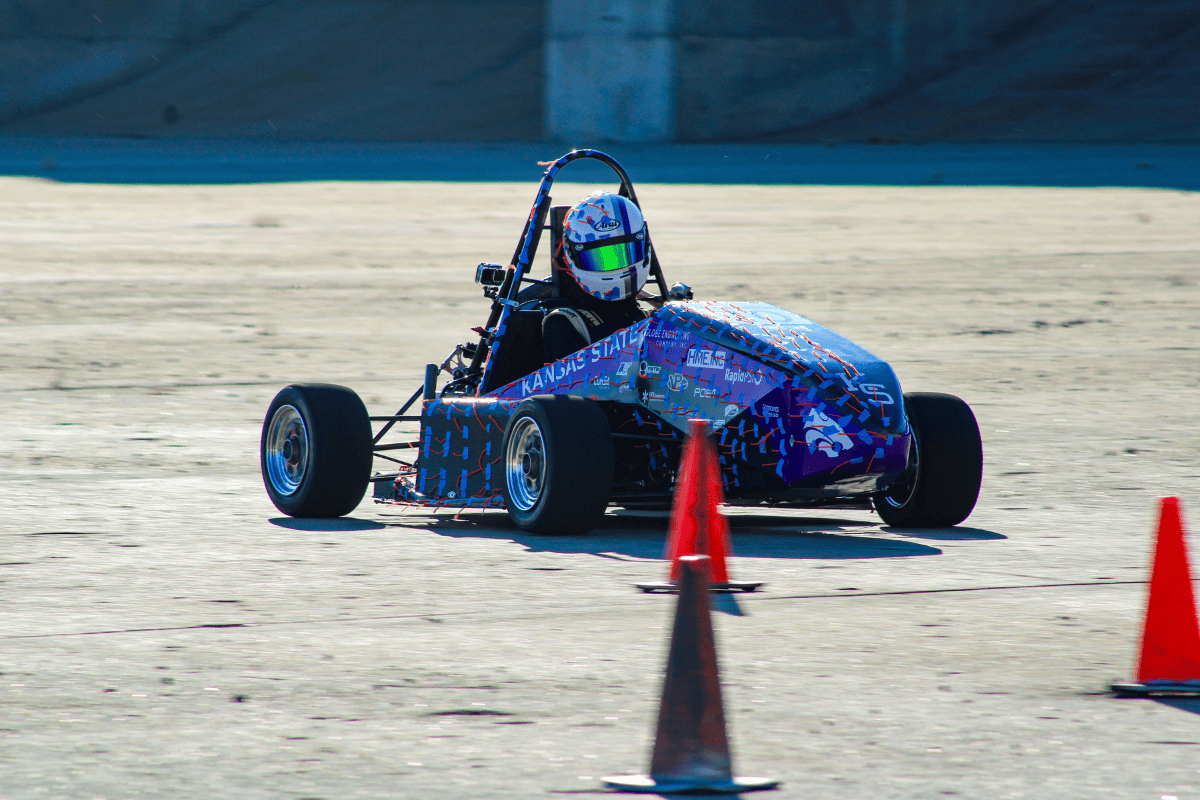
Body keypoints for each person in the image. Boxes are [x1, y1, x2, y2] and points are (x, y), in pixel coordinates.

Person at [542, 190, 650, 363]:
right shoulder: (564, 324)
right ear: (571, 256)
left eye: (624, 254)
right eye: (600, 259)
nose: (614, 269)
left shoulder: (654, 316)